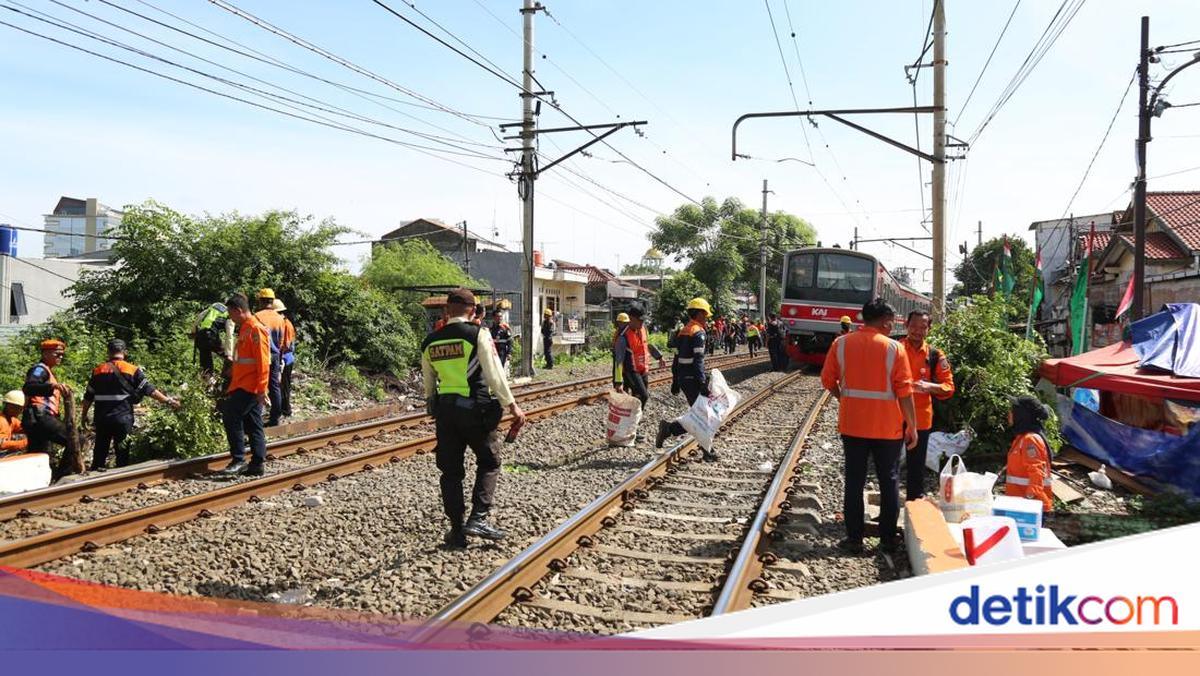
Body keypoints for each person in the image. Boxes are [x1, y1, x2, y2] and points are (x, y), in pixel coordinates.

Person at [422, 288, 527, 548]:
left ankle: (456, 531)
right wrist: (512, 405)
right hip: (475, 410)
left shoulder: (431, 341)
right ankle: (478, 518)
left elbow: (428, 382)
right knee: (489, 461)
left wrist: (433, 404)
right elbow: (494, 373)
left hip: (446, 413)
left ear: (447, 310)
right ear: (472, 310)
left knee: (451, 472)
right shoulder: (478, 334)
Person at [819, 298, 919, 555]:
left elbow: (828, 380)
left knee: (854, 481)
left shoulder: (841, 344)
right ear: (886, 322)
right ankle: (887, 538)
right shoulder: (895, 349)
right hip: (887, 429)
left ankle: (854, 539)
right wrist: (913, 426)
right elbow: (904, 391)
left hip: (852, 425)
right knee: (889, 480)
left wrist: (845, 399)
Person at [81, 339, 181, 471]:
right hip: (123, 418)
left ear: (108, 352)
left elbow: (88, 396)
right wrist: (169, 401)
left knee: (100, 451)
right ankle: (120, 480)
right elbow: (149, 390)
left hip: (102, 418)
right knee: (122, 454)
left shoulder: (98, 370)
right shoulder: (132, 370)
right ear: (125, 352)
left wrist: (83, 415)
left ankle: (95, 480)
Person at [901, 311, 955, 501]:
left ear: (929, 329)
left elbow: (949, 388)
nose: (917, 331)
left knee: (916, 467)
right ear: (906, 325)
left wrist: (930, 386)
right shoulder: (896, 348)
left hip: (920, 418)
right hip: (893, 416)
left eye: (923, 327)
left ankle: (914, 505)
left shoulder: (935, 355)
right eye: (914, 326)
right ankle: (888, 510)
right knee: (888, 466)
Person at [656, 298, 717, 461]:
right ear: (698, 313)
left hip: (684, 378)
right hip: (692, 379)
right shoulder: (698, 332)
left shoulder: (683, 331)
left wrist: (676, 380)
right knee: (702, 415)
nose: (707, 318)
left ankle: (670, 430)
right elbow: (698, 360)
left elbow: (677, 359)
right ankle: (671, 430)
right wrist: (702, 383)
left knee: (700, 413)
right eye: (705, 314)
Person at [218, 293, 272, 477]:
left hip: (250, 386)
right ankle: (257, 463)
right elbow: (243, 360)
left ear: (238, 311)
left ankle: (239, 459)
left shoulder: (256, 329)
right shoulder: (245, 328)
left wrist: (262, 389)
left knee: (231, 416)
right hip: (242, 384)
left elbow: (264, 362)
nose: (229, 317)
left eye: (230, 313)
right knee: (253, 423)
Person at [22, 339, 72, 470]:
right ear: (45, 354)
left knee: (40, 456)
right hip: (39, 416)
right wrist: (53, 386)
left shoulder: (47, 371)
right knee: (74, 440)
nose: (60, 357)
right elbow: (29, 387)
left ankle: (40, 486)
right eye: (57, 354)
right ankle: (63, 477)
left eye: (62, 354)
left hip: (37, 417)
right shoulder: (39, 370)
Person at [1005, 395, 1053, 513]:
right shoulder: (1022, 438)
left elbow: (1037, 472)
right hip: (1020, 504)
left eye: (1012, 411)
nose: (1009, 414)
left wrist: (1029, 499)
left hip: (1029, 508)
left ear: (1021, 415)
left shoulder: (1030, 440)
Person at [613, 308, 664, 410]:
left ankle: (632, 419)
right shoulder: (623, 337)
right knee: (643, 396)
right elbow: (618, 361)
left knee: (639, 398)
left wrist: (659, 356)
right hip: (631, 371)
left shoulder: (643, 329)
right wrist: (618, 382)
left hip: (643, 369)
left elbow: (646, 345)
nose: (642, 322)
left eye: (643, 320)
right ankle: (633, 419)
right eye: (640, 320)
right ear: (631, 319)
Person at [253, 288, 287, 427]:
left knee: (258, 386)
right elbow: (281, 342)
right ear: (272, 302)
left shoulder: (256, 317)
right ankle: (275, 418)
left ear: (261, 301)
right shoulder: (280, 319)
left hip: (261, 355)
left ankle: (257, 418)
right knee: (274, 387)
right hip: (275, 355)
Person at [191, 302, 234, 378]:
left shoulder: (216, 305)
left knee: (205, 361)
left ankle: (207, 381)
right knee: (228, 355)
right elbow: (229, 335)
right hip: (211, 336)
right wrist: (229, 354)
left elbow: (200, 317)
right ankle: (225, 377)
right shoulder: (230, 314)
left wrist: (193, 331)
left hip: (200, 335)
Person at [274, 299, 297, 419]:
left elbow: (287, 345)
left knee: (284, 386)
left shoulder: (286, 324)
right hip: (282, 357)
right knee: (279, 385)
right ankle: (281, 409)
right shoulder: (281, 323)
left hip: (285, 358)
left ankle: (286, 410)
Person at [0, 390, 27, 456]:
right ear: (10, 406)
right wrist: (25, 443)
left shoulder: (12, 419)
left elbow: (24, 428)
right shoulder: (1, 421)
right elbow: (2, 444)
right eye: (19, 408)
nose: (20, 411)